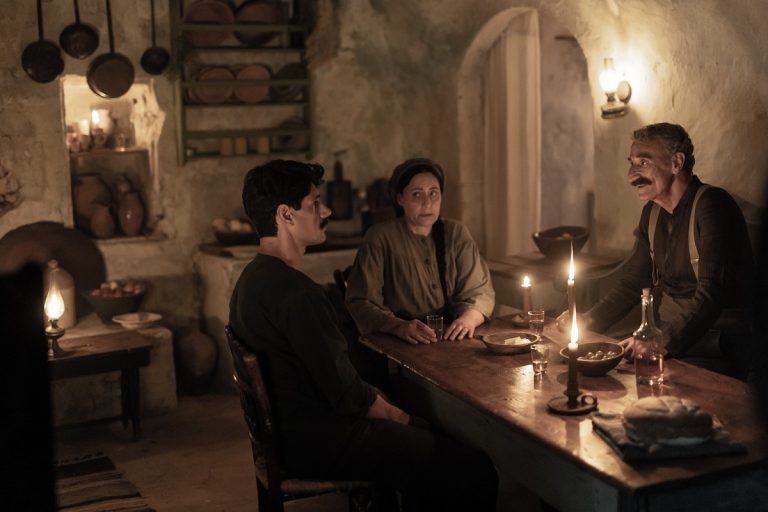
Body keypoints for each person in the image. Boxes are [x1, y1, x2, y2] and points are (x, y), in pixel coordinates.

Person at [229, 160, 498, 511]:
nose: (326, 210)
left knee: (428, 439)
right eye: (315, 203)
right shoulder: (299, 295)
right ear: (286, 215)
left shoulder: (251, 280)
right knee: (474, 468)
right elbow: (347, 395)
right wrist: (405, 420)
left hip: (290, 434)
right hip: (321, 441)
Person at [560, 123, 755, 379]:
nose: (632, 175)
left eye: (643, 162)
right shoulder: (652, 213)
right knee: (586, 365)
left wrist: (658, 342)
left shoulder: (712, 206)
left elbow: (711, 295)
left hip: (719, 344)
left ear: (676, 163)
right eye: (631, 163)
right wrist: (587, 320)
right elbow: (633, 284)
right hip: (669, 336)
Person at [345, 158, 495, 344]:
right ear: (400, 198)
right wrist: (397, 326)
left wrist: (468, 319)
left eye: (434, 193)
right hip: (401, 340)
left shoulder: (455, 232)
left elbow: (480, 291)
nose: (427, 203)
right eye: (417, 194)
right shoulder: (380, 237)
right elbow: (361, 301)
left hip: (450, 337)